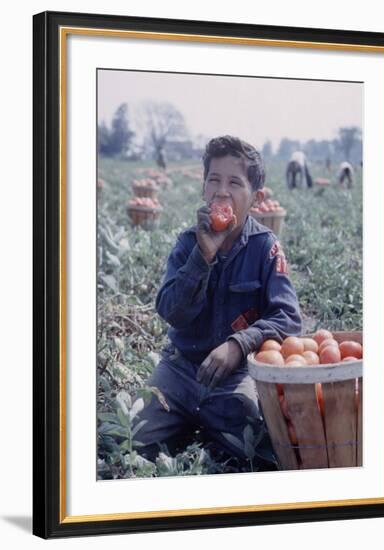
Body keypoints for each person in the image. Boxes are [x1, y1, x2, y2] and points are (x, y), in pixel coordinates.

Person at [136, 135, 302, 471]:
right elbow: (170, 311)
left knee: (262, 448)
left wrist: (240, 345)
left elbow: (288, 317)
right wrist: (203, 255)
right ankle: (189, 426)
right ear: (203, 189)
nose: (222, 191)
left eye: (234, 183)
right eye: (214, 180)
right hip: (179, 370)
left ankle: (207, 429)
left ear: (254, 198)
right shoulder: (186, 243)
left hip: (233, 378)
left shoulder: (265, 247)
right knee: (130, 437)